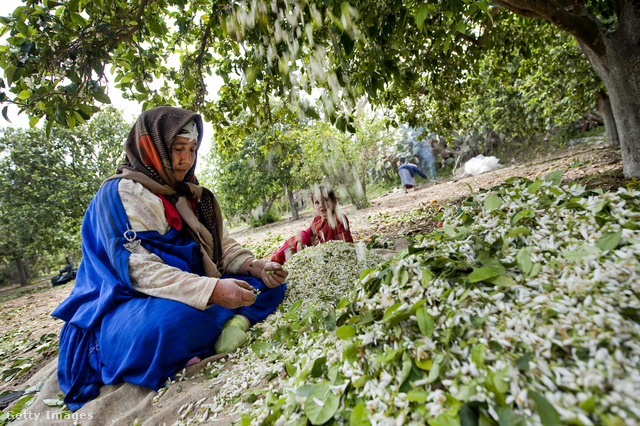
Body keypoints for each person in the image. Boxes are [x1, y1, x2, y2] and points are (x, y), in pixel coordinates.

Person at [51, 106, 287, 411]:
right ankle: (206, 327)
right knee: (166, 327)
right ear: (153, 147)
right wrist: (212, 291)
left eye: (192, 149)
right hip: (129, 303)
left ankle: (237, 322)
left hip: (191, 291)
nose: (186, 159)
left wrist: (256, 266)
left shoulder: (189, 195)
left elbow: (220, 247)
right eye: (178, 149)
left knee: (269, 283)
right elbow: (139, 270)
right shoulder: (118, 195)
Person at [270, 185, 353, 264]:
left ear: (334, 202)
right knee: (295, 243)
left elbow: (347, 241)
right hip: (319, 251)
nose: (322, 205)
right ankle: (283, 259)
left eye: (325, 200)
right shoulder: (317, 220)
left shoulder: (338, 218)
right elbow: (308, 233)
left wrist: (347, 255)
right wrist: (299, 242)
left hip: (333, 253)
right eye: (317, 202)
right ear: (313, 207)